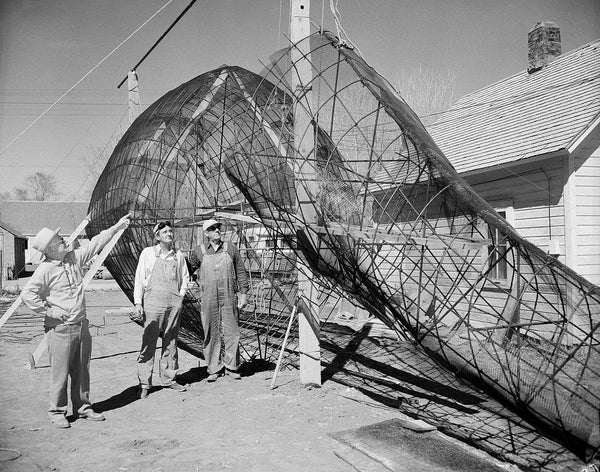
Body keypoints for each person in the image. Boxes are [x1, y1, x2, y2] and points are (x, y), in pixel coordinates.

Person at [21, 213, 131, 428]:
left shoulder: (73, 258)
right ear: (50, 249)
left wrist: (117, 226)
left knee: (82, 370)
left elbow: (97, 242)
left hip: (81, 325)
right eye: (59, 241)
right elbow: (28, 295)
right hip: (60, 329)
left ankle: (82, 407)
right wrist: (49, 311)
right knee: (60, 372)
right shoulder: (45, 270)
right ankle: (56, 412)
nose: (64, 241)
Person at [133, 221, 190, 399]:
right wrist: (138, 303)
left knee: (171, 340)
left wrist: (180, 296)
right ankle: (145, 383)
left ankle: (169, 378)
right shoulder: (148, 253)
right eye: (164, 231)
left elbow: (185, 277)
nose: (169, 234)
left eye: (170, 231)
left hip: (174, 302)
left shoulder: (178, 255)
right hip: (153, 300)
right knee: (149, 340)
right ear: (157, 236)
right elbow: (139, 277)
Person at [188, 218, 249, 381]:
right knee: (211, 331)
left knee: (232, 332)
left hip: (229, 295)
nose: (217, 230)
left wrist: (243, 294)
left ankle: (232, 366)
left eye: (218, 227)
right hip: (208, 298)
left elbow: (241, 271)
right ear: (206, 233)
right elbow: (187, 270)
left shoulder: (231, 248)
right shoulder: (198, 251)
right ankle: (214, 368)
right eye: (213, 228)